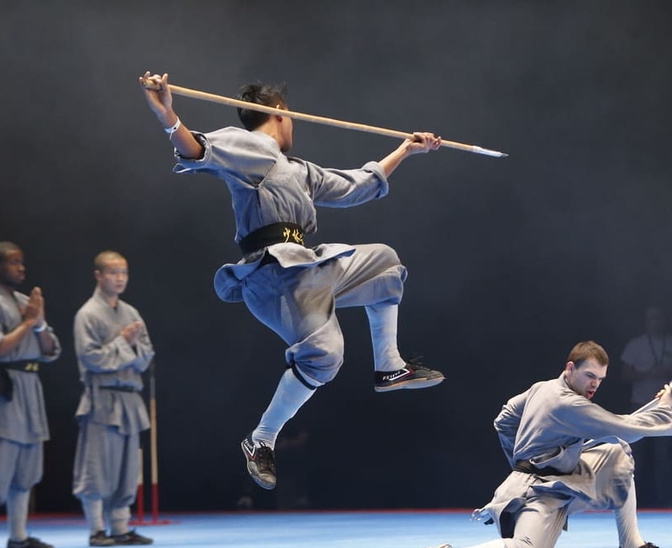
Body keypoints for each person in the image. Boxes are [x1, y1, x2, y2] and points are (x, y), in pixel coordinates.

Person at [139, 72, 445, 491]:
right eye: (291, 116)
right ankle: (261, 438)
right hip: (273, 275)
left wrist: (405, 150)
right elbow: (196, 148)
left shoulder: (297, 170)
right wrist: (168, 115)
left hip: (309, 267)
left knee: (385, 264)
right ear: (279, 112)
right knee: (326, 353)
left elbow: (357, 184)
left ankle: (390, 367)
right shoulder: (251, 146)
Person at [411, 341, 672, 548]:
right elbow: (624, 427)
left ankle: (631, 546)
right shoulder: (569, 404)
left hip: (565, 477)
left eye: (600, 379)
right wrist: (665, 407)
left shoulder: (542, 387)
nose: (595, 384)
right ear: (570, 368)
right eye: (589, 376)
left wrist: (533, 453)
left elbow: (503, 420)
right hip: (536, 491)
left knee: (615, 452)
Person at [0, 242, 60, 548]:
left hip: (30, 386)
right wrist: (28, 323)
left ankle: (19, 535)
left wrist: (40, 322)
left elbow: (50, 350)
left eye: (22, 262)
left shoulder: (23, 302)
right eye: (14, 262)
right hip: (0, 389)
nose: (21, 268)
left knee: (26, 467)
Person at [72, 251, 155, 547]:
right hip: (102, 398)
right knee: (98, 466)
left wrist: (128, 348)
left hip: (130, 398)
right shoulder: (87, 314)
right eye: (113, 272)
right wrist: (123, 343)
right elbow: (92, 359)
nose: (120, 278)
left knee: (127, 469)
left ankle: (120, 527)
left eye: (124, 272)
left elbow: (146, 356)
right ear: (98, 275)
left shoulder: (131, 313)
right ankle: (96, 529)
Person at [620, 306, 672, 506]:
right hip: (640, 404)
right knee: (635, 454)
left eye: (659, 317)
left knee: (664, 455)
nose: (655, 321)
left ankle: (665, 501)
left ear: (664, 320)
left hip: (665, 406)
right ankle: (632, 500)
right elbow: (624, 375)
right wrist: (647, 373)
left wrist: (668, 372)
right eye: (651, 318)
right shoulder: (636, 345)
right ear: (646, 321)